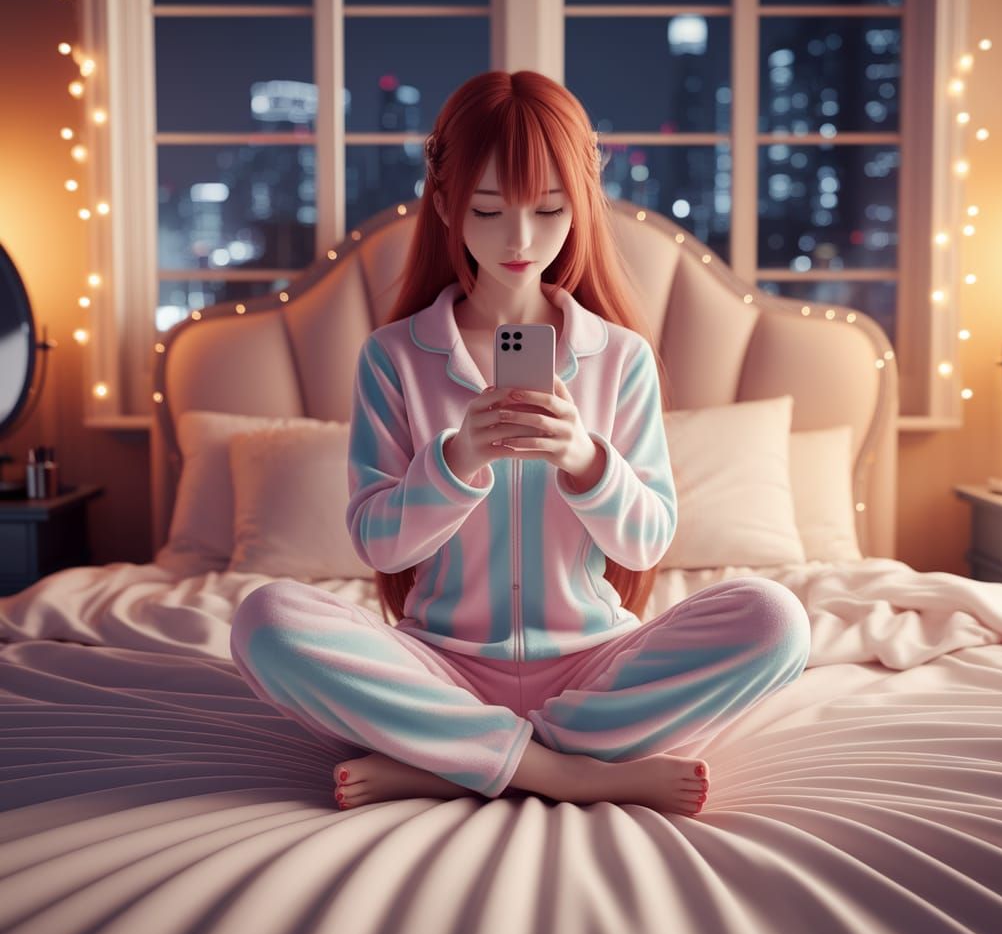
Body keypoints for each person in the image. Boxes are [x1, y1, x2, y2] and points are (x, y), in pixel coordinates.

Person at [229, 69, 811, 817]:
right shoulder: (394, 356)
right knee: (265, 621)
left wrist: (585, 461)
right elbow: (379, 544)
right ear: (444, 202)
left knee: (775, 621)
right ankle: (562, 772)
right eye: (489, 209)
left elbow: (647, 540)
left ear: (581, 207)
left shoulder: (620, 357)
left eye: (548, 210)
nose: (520, 240)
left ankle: (454, 760)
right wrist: (457, 460)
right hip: (441, 664)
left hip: (593, 665)